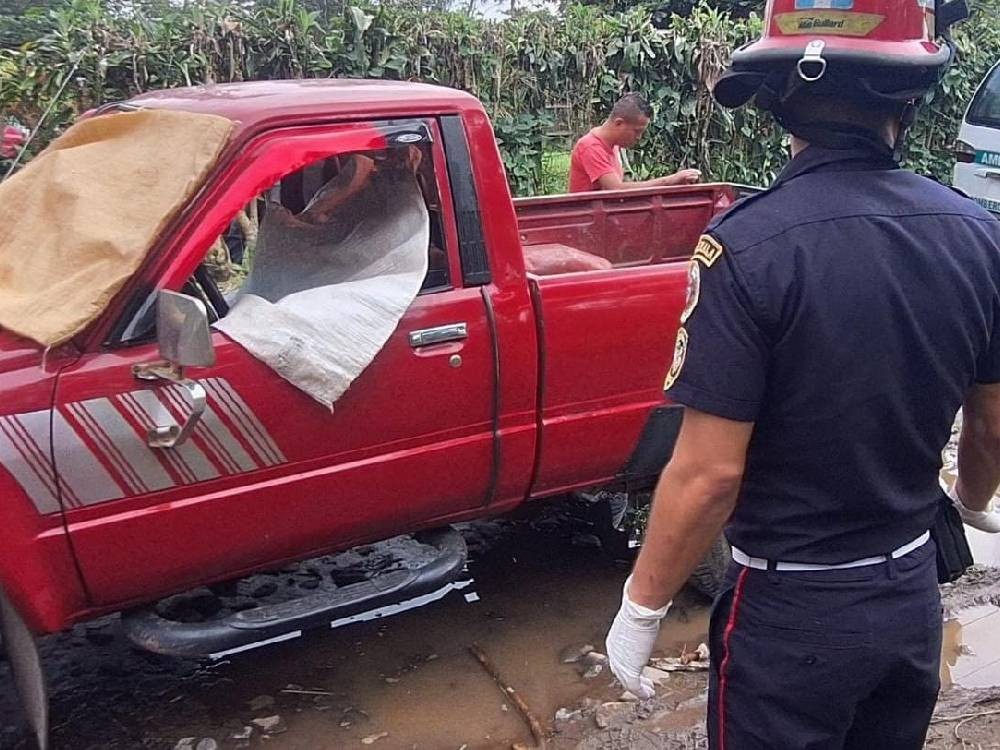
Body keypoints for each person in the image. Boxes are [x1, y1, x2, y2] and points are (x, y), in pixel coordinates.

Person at [604, 0, 1000, 747]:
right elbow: (993, 422)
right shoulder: (977, 234)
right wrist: (973, 499)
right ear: (910, 100)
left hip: (791, 612)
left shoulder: (747, 247)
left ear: (779, 98)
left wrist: (642, 606)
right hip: (911, 593)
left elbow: (709, 473)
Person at [567, 93, 700, 193]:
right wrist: (670, 181)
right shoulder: (591, 147)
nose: (639, 138)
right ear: (619, 123)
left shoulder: (613, 146)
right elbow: (616, 190)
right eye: (637, 131)